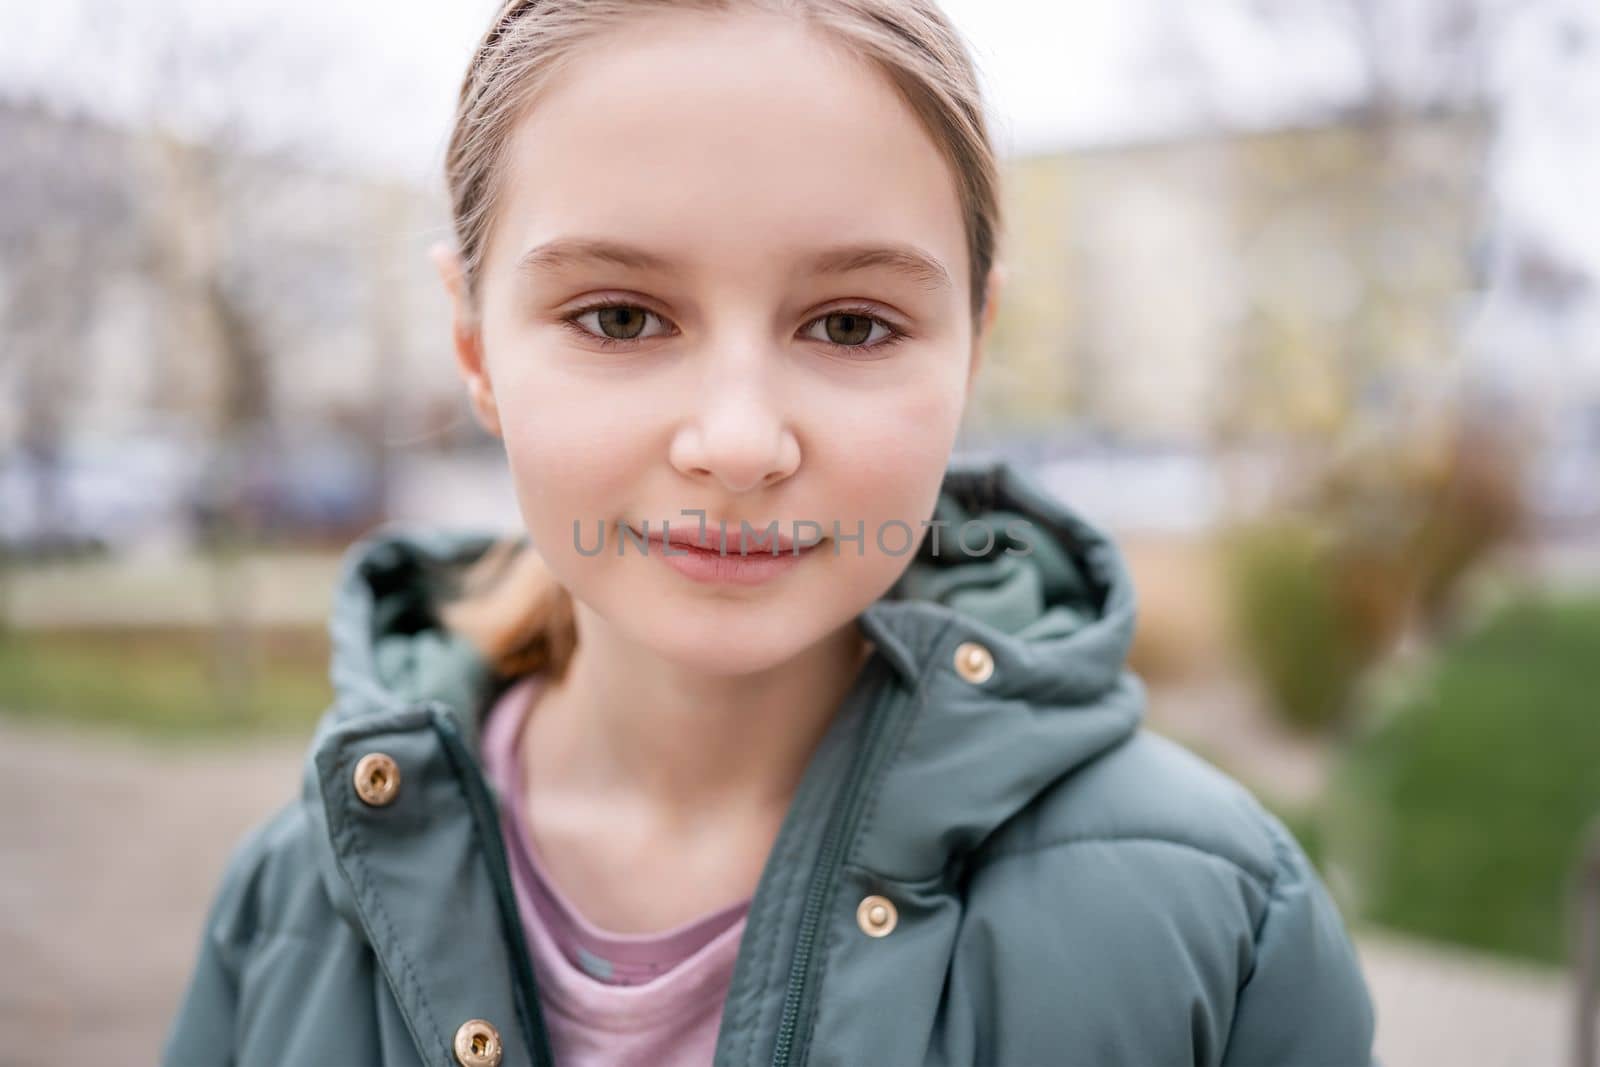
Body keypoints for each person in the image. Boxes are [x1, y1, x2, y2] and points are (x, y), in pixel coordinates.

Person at [162, 1, 1379, 1065]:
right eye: (622, 316)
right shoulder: (289, 906)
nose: (738, 442)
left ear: (973, 345)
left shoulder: (1216, 919)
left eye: (850, 325)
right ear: (474, 346)